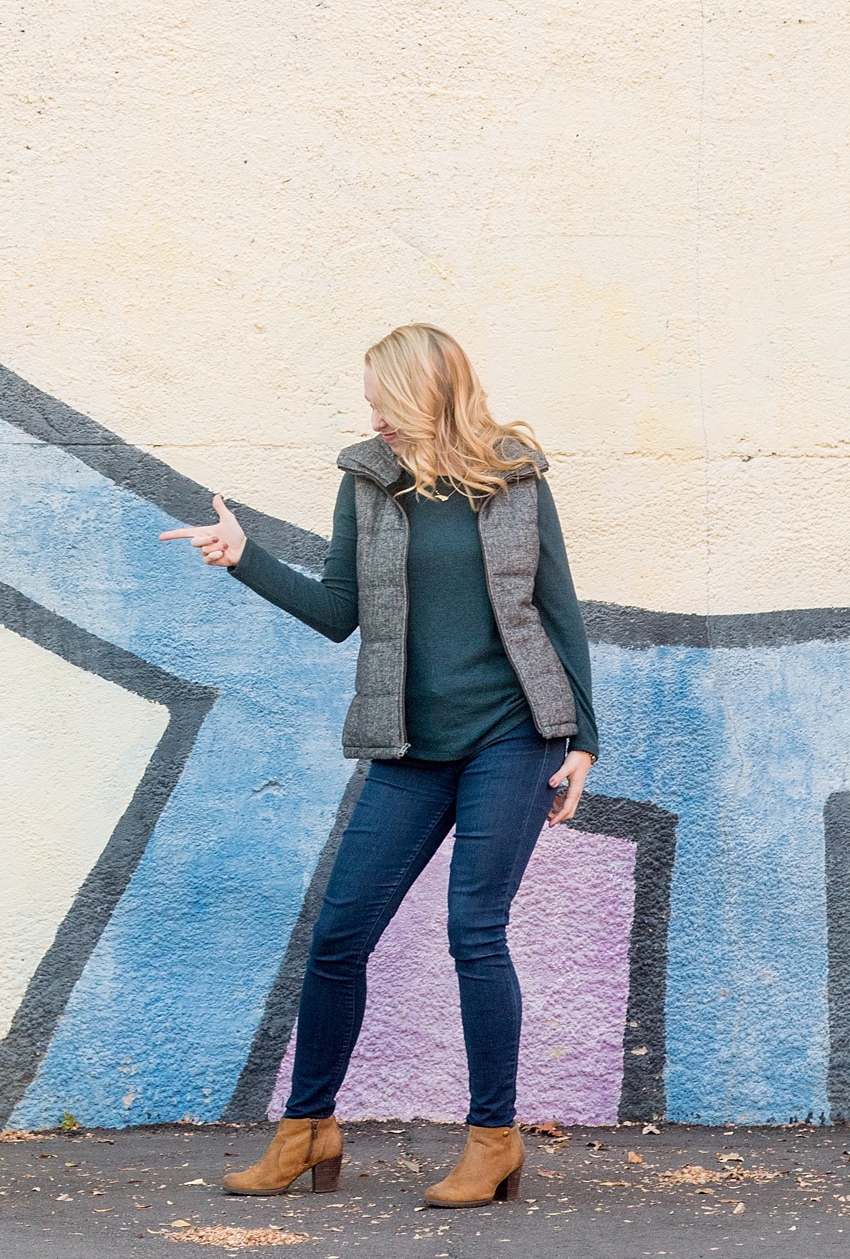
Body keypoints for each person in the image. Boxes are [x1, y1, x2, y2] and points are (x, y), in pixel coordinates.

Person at [163, 322, 599, 1209]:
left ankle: (493, 1139)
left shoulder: (516, 475)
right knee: (338, 938)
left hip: (513, 737)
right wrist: (244, 559)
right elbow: (336, 612)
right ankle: (308, 1129)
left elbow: (558, 609)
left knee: (474, 932)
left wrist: (584, 739)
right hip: (407, 744)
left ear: (427, 393)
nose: (374, 416)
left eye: (384, 400)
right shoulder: (365, 480)